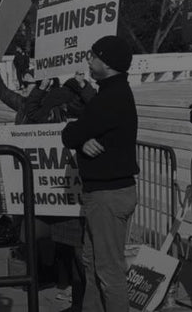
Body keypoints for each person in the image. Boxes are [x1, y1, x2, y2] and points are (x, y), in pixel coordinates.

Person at [60, 36, 143, 312]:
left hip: (107, 195)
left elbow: (70, 133)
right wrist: (83, 139)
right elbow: (83, 131)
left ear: (106, 63)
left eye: (92, 55)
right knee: (93, 264)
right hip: (107, 193)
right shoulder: (113, 93)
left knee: (108, 272)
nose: (88, 60)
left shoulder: (111, 97)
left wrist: (79, 137)